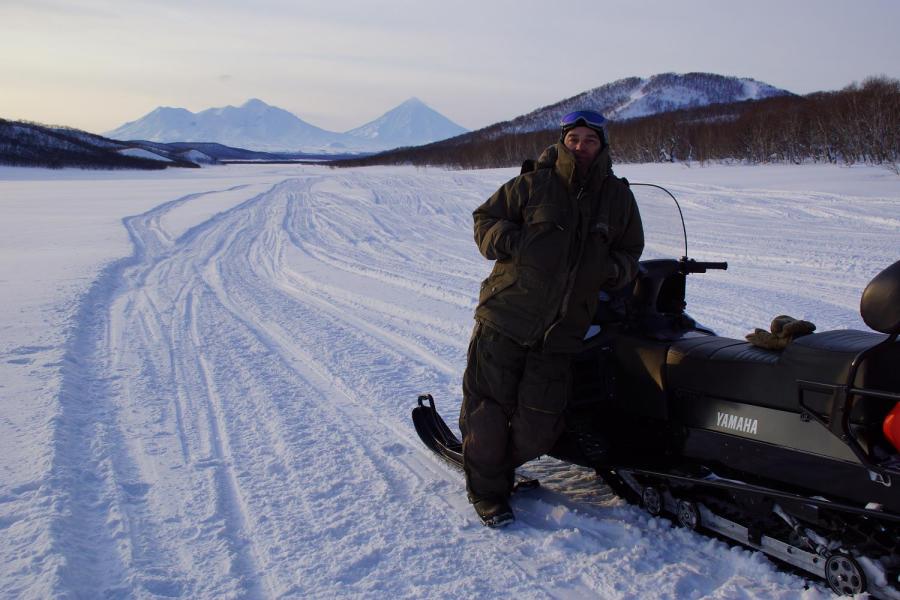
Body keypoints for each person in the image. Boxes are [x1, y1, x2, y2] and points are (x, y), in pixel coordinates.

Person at [459, 110, 645, 527]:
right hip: (507, 315)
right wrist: (507, 239)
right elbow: (484, 219)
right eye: (574, 139)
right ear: (563, 141)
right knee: (487, 410)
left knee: (540, 426)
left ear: (602, 146)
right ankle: (488, 493)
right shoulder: (533, 183)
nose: (581, 147)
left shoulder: (617, 197)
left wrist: (614, 270)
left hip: (563, 331)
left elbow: (631, 251)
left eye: (589, 140)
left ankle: (496, 465)